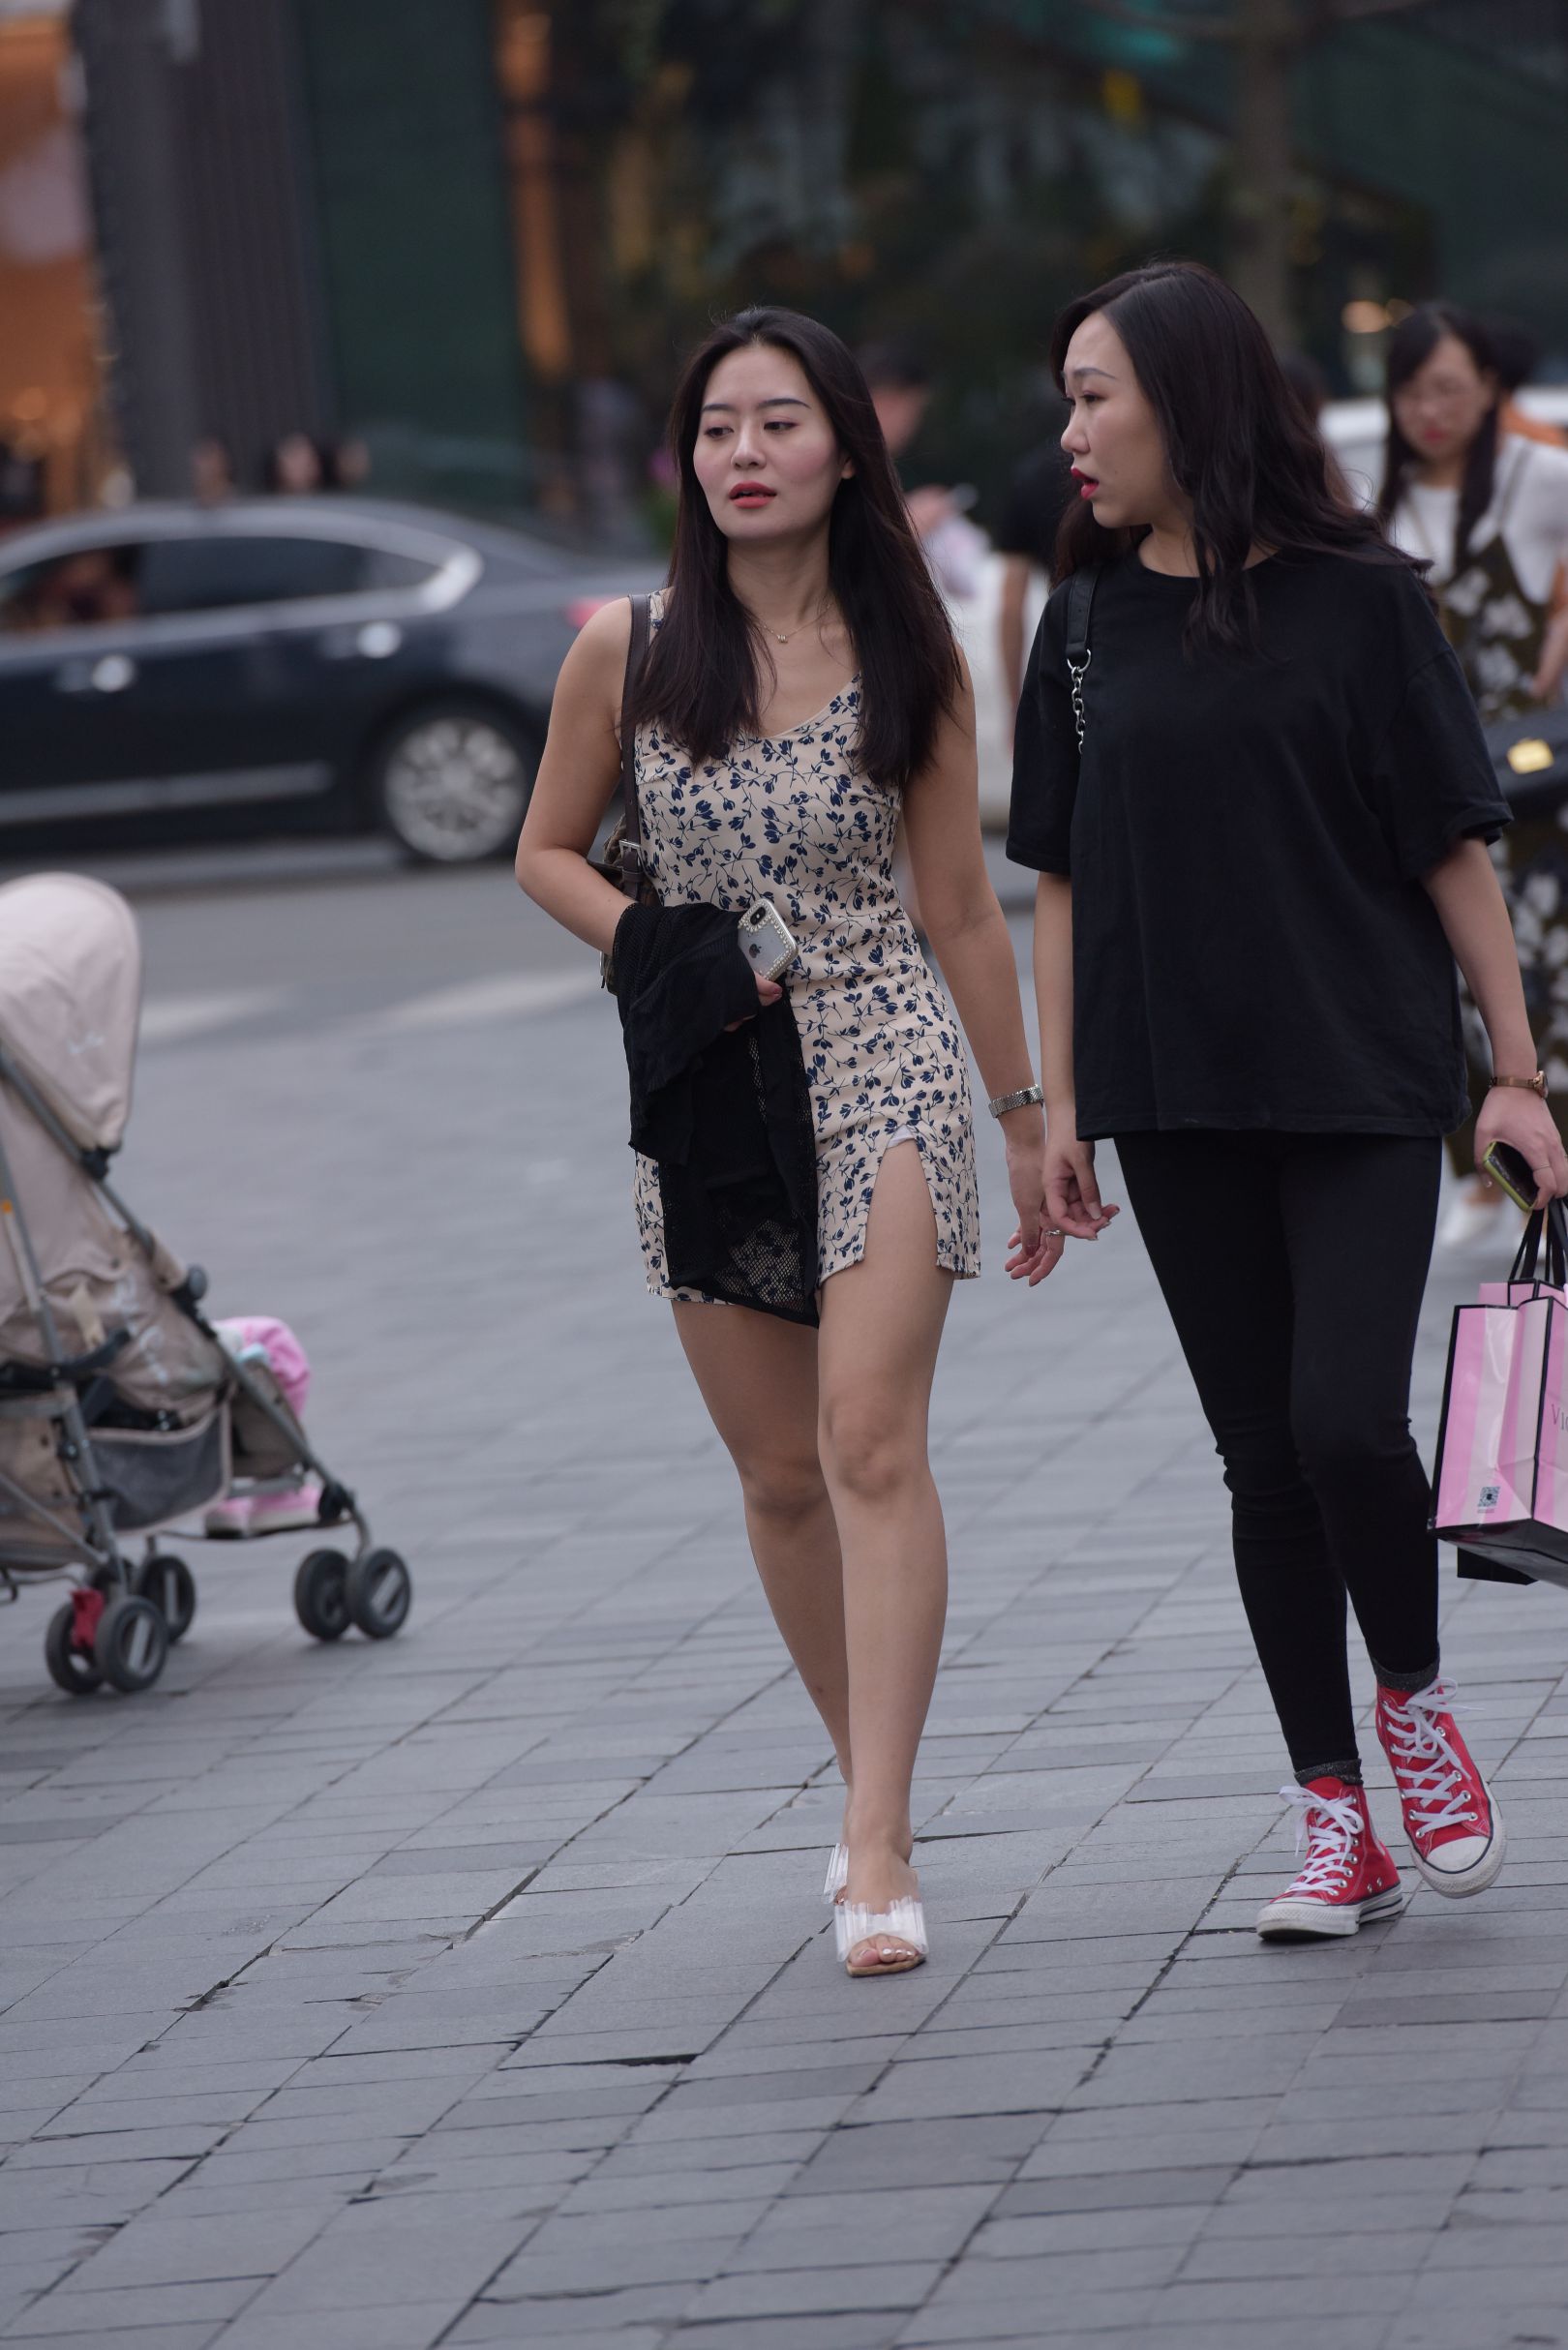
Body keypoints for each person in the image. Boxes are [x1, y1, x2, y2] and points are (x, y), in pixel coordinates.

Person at [1009, 258, 1568, 1940]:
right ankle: (1336, 1818)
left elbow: (1451, 846)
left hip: (1357, 1071)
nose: (1071, 432)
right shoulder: (1084, 627)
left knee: (1346, 1424)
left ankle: (1415, 1702)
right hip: (1173, 1086)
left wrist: (1517, 1073)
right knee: (1261, 1460)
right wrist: (1058, 1106)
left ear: (1189, 400)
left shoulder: (1362, 599)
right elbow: (1058, 879)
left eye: (1095, 394)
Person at [517, 307, 1054, 1977]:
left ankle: (879, 1839)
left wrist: (1026, 1117)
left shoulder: (912, 651)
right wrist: (654, 945)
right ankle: (860, 1775)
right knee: (775, 1472)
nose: (744, 453)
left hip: (882, 1043)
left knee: (867, 1438)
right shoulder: (629, 648)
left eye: (779, 422)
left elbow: (962, 907)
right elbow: (544, 849)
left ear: (843, 448)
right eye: (717, 427)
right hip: (709, 1078)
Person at [1380, 304, 1568, 1247]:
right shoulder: (1379, 507)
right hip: (1436, 796)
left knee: (1552, 978)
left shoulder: (1538, 476)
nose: (1431, 411)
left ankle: (1545, 1180)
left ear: (1491, 389)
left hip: (1539, 792)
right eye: (1412, 392)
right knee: (1453, 989)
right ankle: (1485, 1176)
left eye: (1450, 389)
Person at [993, 403, 1074, 722]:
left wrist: (1016, 704)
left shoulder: (1028, 478)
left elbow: (1011, 606)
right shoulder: (1131, 477)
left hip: (1067, 655)